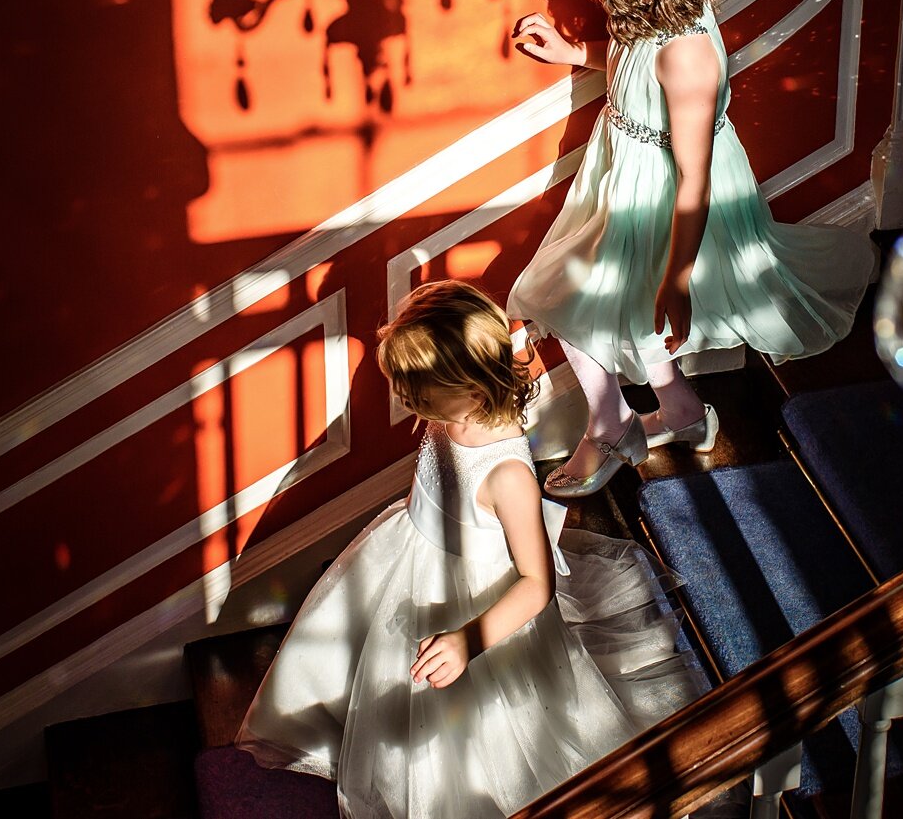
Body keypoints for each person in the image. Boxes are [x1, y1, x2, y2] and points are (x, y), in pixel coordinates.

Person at [236, 280, 705, 819]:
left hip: (475, 606)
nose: (407, 403)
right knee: (383, 661)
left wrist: (468, 640)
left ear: (475, 391)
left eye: (419, 394)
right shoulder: (464, 398)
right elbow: (505, 355)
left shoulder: (509, 476)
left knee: (466, 726)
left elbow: (536, 586)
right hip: (408, 557)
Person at [508, 0, 874, 498]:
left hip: (667, 190)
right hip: (623, 167)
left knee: (561, 298)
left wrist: (678, 276)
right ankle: (679, 412)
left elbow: (694, 176)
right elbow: (632, 60)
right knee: (615, 308)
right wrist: (575, 53)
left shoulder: (688, 52)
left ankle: (610, 423)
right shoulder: (660, 7)